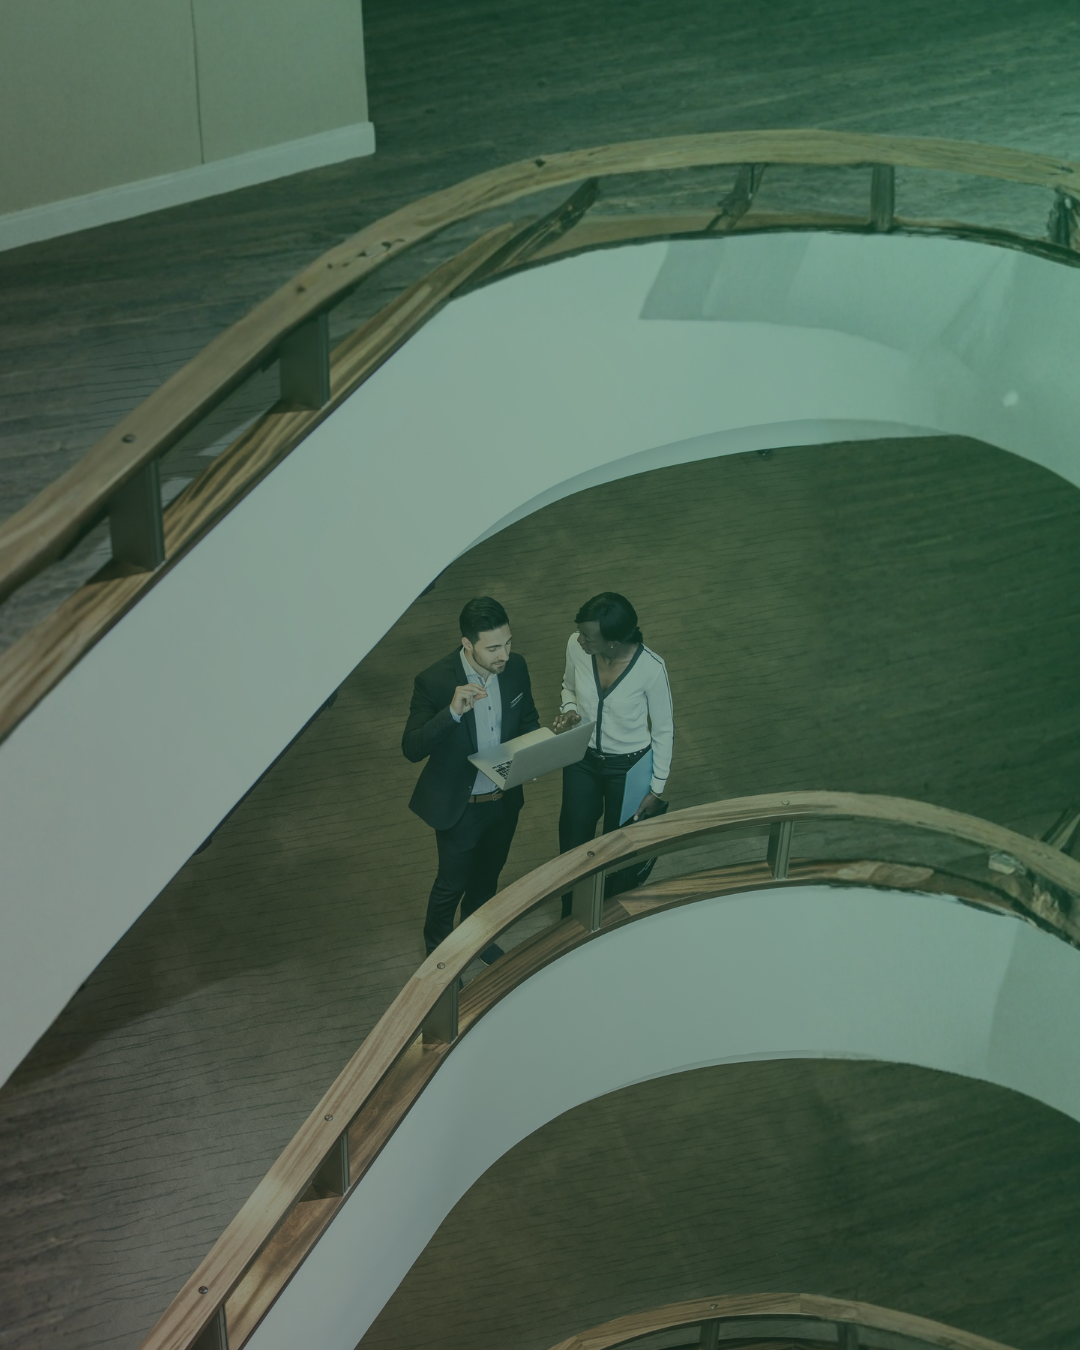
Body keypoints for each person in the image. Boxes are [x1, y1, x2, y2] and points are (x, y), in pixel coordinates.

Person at [403, 596, 540, 961]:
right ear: (467, 643)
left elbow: (527, 719)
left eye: (508, 642)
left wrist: (535, 754)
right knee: (451, 886)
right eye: (493, 648)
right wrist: (451, 712)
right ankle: (438, 957)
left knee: (487, 877)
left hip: (504, 800)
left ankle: (478, 938)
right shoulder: (433, 681)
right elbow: (412, 748)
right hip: (461, 806)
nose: (504, 654)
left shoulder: (516, 667)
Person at [554, 592, 674, 915]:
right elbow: (567, 686)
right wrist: (569, 709)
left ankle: (608, 916)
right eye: (579, 631)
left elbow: (663, 730)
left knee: (619, 847)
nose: (579, 640)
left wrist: (656, 788)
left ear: (613, 641)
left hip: (629, 768)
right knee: (572, 841)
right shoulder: (575, 648)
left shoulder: (651, 668)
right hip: (583, 760)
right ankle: (570, 915)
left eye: (587, 636)